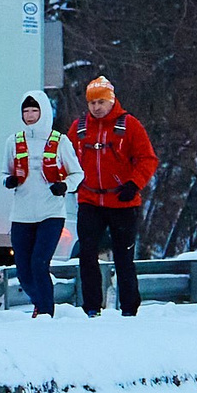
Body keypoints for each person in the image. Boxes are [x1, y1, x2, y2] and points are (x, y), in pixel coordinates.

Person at [68, 75, 160, 317]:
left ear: (111, 101)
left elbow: (148, 159)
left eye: (100, 102)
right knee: (86, 253)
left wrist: (134, 184)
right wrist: (68, 181)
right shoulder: (79, 129)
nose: (96, 108)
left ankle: (129, 308)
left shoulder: (129, 125)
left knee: (124, 256)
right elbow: (65, 159)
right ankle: (91, 307)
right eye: (92, 103)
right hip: (89, 200)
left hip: (122, 201)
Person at [1, 89, 80, 317]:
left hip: (51, 213)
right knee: (23, 271)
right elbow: (3, 173)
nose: (30, 115)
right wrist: (8, 181)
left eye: (35, 110)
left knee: (39, 263)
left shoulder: (60, 141)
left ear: (44, 112)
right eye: (26, 111)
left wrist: (64, 185)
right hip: (21, 215)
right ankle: (39, 301)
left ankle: (46, 313)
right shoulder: (13, 141)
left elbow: (77, 173)